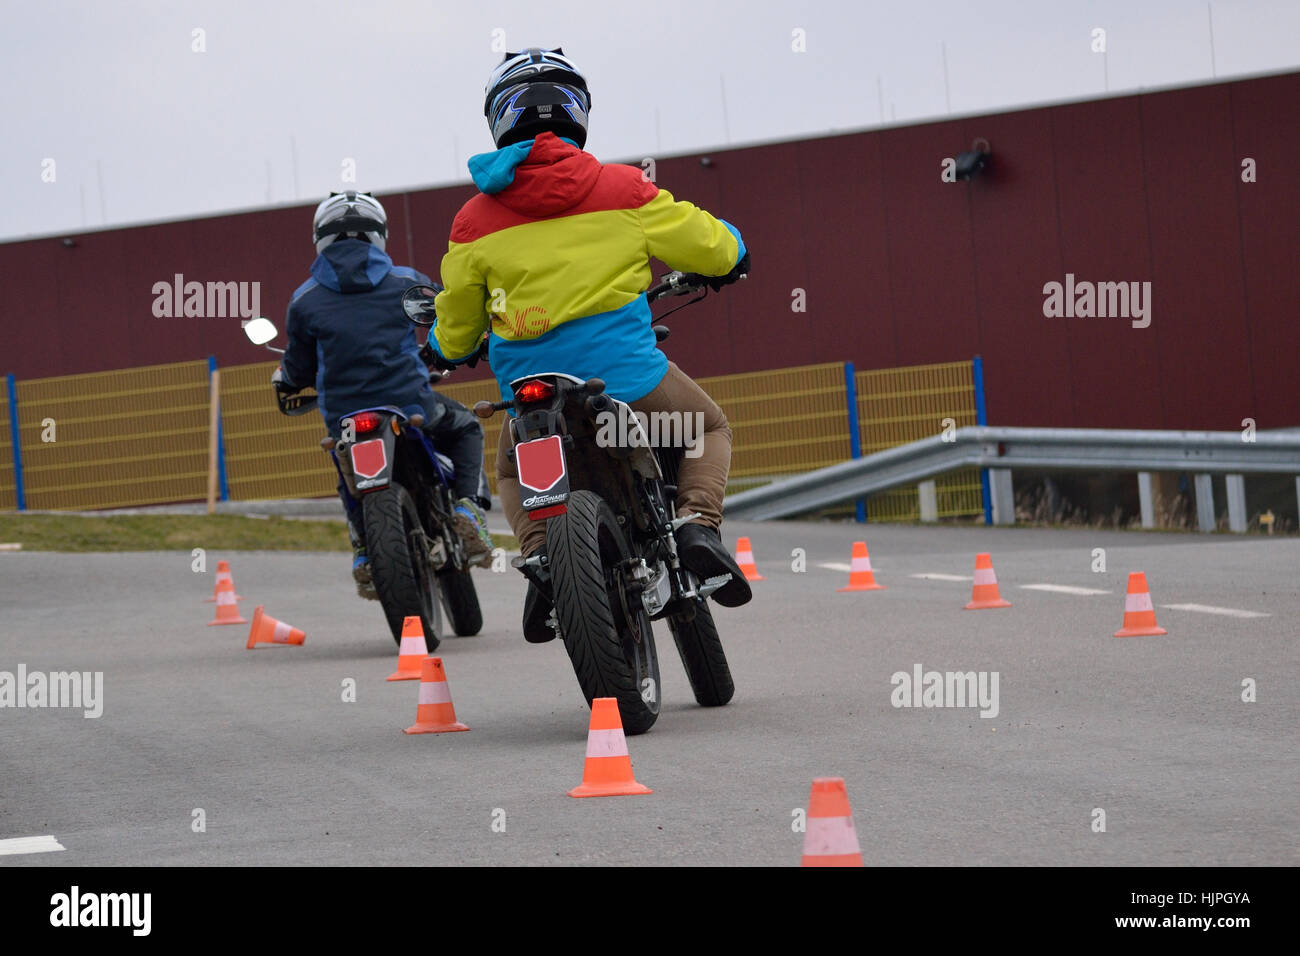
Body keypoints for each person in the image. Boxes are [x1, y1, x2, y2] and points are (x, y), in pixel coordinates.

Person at [424, 48, 752, 642]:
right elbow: (712, 249)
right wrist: (733, 250)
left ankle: (544, 560)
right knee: (706, 428)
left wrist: (444, 349)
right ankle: (697, 527)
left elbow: (458, 325)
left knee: (505, 471)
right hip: (628, 386)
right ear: (576, 112)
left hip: (533, 403)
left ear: (500, 119)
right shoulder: (622, 188)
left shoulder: (473, 221)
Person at [276, 191, 493, 597]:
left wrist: (284, 379)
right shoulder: (406, 282)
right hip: (411, 404)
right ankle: (468, 508)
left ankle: (362, 550)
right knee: (465, 428)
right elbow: (446, 320)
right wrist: (457, 345)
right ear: (378, 235)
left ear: (321, 238)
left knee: (347, 472)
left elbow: (299, 368)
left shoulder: (305, 300)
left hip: (344, 415)